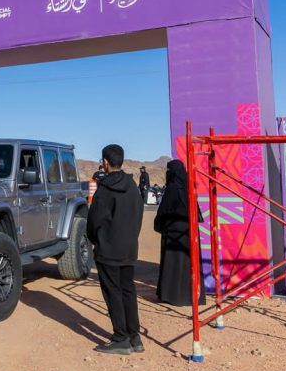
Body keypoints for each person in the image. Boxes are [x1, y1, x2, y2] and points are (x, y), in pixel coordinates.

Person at [86, 144, 145, 355]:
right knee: (128, 290)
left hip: (108, 249)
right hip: (129, 248)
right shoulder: (132, 186)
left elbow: (94, 220)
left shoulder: (105, 190)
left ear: (105, 162)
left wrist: (97, 240)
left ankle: (121, 338)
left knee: (113, 292)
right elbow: (139, 215)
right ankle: (134, 336)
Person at [153, 159, 206, 307]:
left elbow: (164, 211)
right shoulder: (188, 188)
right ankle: (191, 295)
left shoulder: (172, 189)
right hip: (190, 231)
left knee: (174, 263)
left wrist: (159, 225)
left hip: (174, 232)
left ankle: (173, 296)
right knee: (189, 262)